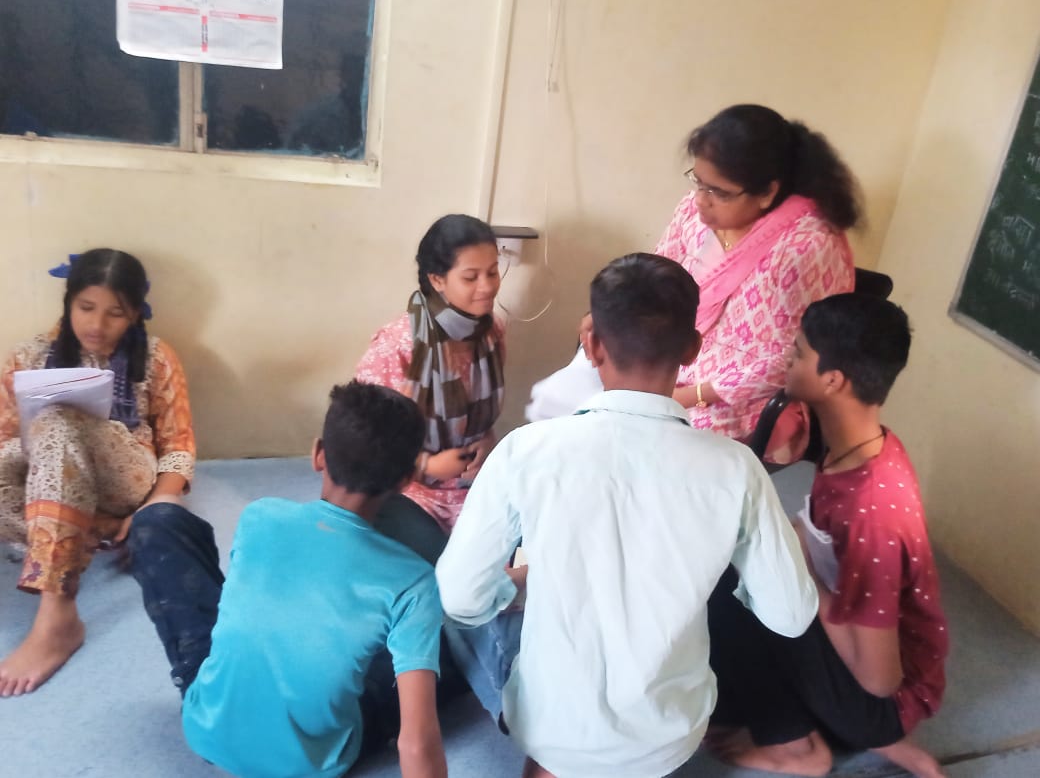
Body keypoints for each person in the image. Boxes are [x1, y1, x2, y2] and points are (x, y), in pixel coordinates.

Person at [436, 253, 819, 778]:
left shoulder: (526, 450)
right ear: (692, 349)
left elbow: (462, 598)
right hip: (668, 737)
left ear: (592, 344)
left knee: (462, 607)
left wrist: (519, 586)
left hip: (552, 728)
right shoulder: (738, 469)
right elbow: (791, 615)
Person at [127, 381, 447, 778]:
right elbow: (416, 743)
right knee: (442, 652)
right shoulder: (415, 582)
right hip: (310, 765)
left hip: (208, 728)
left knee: (156, 521)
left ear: (318, 454)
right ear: (406, 480)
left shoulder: (260, 516)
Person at [706, 294, 947, 778]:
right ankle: (885, 747)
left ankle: (795, 747)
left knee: (730, 584)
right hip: (862, 674)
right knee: (734, 556)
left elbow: (880, 680)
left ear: (832, 380)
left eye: (798, 353)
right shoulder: (859, 447)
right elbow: (816, 536)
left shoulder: (873, 509)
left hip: (877, 703)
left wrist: (800, 579)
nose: (786, 359)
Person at [0, 248, 195, 696]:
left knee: (56, 418)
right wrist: (43, 447)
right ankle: (96, 531)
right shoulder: (26, 357)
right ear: (68, 302)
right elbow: (6, 439)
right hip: (46, 480)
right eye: (86, 307)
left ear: (135, 315)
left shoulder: (157, 358)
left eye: (115, 313)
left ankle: (57, 612)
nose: (96, 324)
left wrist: (151, 513)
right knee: (40, 438)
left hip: (124, 477)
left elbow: (179, 449)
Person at [659, 104, 859, 456]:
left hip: (742, 400)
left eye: (719, 192)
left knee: (660, 445)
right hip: (670, 363)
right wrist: (610, 313)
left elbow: (792, 358)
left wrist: (690, 395)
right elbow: (656, 277)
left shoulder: (807, 246)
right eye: (698, 182)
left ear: (767, 192)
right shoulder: (693, 211)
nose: (701, 201)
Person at [355, 213, 505, 539]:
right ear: (437, 280)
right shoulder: (399, 345)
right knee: (430, 560)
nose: (487, 286)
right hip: (407, 488)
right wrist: (425, 466)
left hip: (472, 483)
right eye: (471, 277)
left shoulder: (491, 333)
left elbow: (479, 421)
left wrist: (487, 443)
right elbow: (360, 441)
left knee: (519, 546)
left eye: (493, 272)